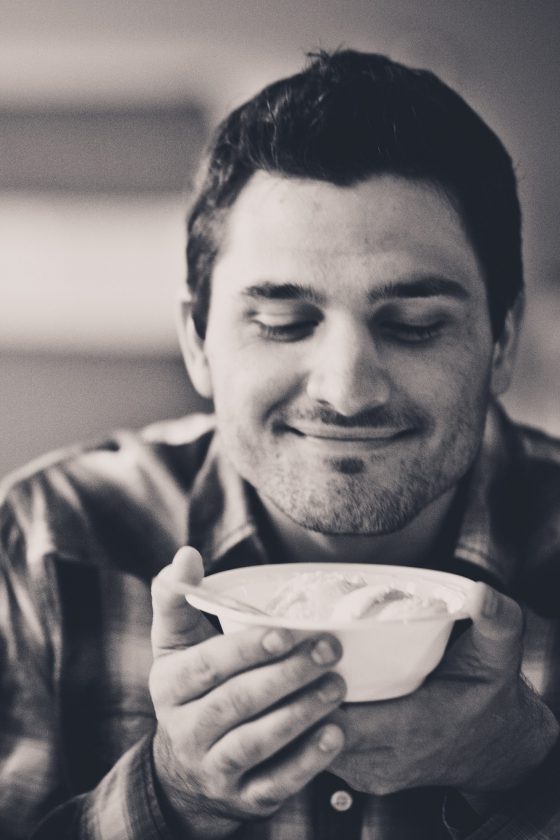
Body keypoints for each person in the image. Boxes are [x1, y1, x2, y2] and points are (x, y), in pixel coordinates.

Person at [1, 48, 559, 840]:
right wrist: (169, 797)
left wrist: (529, 769)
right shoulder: (47, 541)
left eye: (414, 326)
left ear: (503, 341)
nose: (347, 390)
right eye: (282, 323)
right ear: (197, 340)